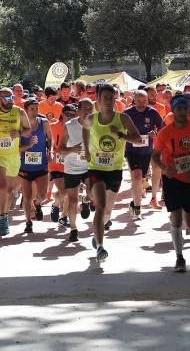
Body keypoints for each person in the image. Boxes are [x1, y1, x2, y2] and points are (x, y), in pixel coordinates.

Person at [152, 93, 190, 272]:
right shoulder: (165, 132)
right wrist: (164, 168)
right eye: (178, 108)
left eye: (185, 108)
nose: (182, 112)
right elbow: (154, 156)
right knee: (176, 219)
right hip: (173, 179)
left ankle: (189, 226)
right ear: (173, 110)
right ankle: (179, 257)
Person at [81, 84, 142, 262]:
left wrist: (121, 136)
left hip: (115, 170)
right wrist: (86, 149)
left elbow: (138, 139)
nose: (108, 101)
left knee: (107, 211)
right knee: (100, 206)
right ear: (98, 100)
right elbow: (85, 130)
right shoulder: (92, 119)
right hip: (96, 168)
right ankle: (100, 247)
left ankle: (98, 231)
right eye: (104, 98)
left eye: (111, 98)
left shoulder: (123, 119)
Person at [0, 88, 33, 236]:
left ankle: (5, 211)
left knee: (8, 191)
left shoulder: (20, 112)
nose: (10, 101)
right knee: (2, 187)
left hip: (13, 156)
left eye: (11, 98)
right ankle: (2, 218)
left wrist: (20, 133)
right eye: (6, 98)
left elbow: (29, 130)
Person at [124, 90, 163, 220]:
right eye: (139, 101)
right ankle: (137, 208)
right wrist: (129, 137)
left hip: (146, 151)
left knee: (141, 179)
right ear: (133, 100)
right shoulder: (127, 113)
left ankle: (135, 202)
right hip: (132, 151)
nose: (141, 104)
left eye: (144, 101)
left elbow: (163, 128)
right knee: (136, 176)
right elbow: (118, 131)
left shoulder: (152, 112)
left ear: (148, 100)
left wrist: (155, 133)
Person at [61, 99, 92, 242]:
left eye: (90, 108)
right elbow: (60, 150)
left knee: (93, 194)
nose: (87, 111)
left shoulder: (96, 125)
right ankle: (73, 229)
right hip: (72, 167)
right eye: (84, 108)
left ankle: (86, 199)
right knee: (72, 200)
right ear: (78, 111)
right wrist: (72, 149)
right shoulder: (69, 126)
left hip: (89, 166)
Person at [19, 98, 51, 234]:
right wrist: (29, 145)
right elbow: (17, 148)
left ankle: (37, 204)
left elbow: (50, 139)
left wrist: (51, 151)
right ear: (25, 110)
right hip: (25, 167)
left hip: (41, 165)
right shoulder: (20, 126)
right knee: (26, 197)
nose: (35, 111)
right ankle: (28, 222)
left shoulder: (44, 123)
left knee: (43, 195)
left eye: (37, 109)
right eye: (32, 109)